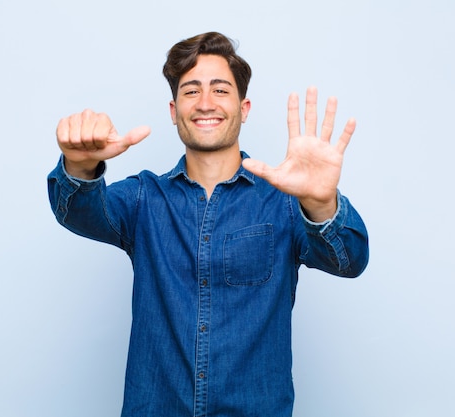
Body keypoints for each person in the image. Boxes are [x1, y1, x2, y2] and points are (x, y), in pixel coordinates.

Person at [48, 31, 369, 417]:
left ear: (243, 107)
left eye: (220, 90)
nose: (204, 104)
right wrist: (80, 165)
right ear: (173, 110)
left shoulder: (284, 203)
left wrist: (320, 203)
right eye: (190, 91)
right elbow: (77, 211)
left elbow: (350, 260)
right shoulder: (143, 199)